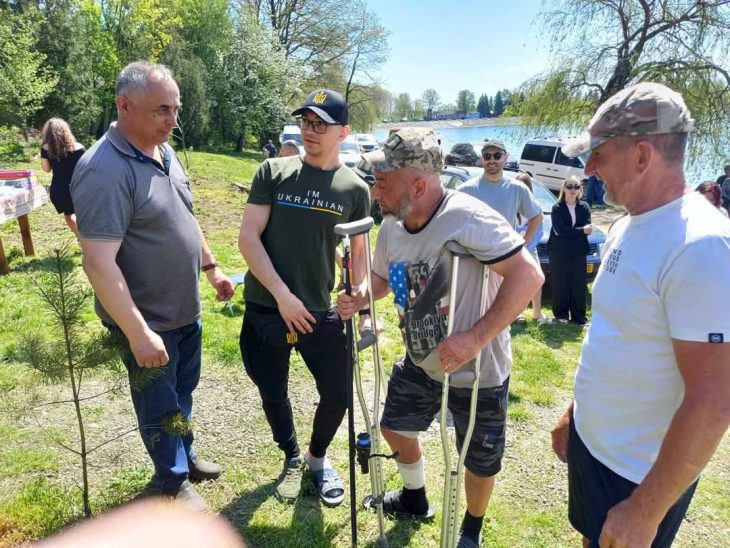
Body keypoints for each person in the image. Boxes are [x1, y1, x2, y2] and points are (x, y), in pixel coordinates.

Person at [338, 128, 544, 547]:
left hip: (477, 369)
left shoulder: (469, 217)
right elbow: (381, 279)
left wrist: (474, 338)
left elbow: (528, 276)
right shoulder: (392, 225)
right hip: (421, 361)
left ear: (418, 185)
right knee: (394, 428)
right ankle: (415, 498)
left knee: (479, 460)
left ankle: (471, 529)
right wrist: (361, 295)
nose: (375, 192)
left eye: (383, 181)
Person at [550, 82, 730, 547]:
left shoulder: (702, 246)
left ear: (642, 155)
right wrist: (578, 411)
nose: (588, 169)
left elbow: (714, 399)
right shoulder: (628, 224)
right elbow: (615, 333)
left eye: (599, 154)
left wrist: (647, 509)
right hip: (596, 446)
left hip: (638, 472)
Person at [71, 61, 235, 511]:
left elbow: (185, 216)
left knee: (182, 392)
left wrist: (212, 268)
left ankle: (185, 455)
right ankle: (173, 481)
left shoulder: (164, 151)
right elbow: (98, 262)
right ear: (124, 105)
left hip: (184, 310)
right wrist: (137, 331)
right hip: (148, 320)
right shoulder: (104, 170)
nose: (173, 121)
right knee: (159, 403)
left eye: (175, 109)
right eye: (162, 110)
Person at [237, 89, 370, 507]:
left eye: (321, 125)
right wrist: (282, 296)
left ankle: (316, 457)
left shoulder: (355, 189)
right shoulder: (272, 172)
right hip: (267, 307)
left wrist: (359, 295)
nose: (310, 131)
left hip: (317, 309)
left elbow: (359, 257)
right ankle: (291, 455)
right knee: (272, 390)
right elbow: (248, 238)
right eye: (306, 123)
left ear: (343, 132)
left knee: (339, 392)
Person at [458, 138, 543, 248]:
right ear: (482, 159)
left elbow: (537, 217)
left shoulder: (518, 188)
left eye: (497, 156)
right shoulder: (466, 189)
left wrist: (522, 246)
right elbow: (452, 221)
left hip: (506, 254)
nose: (492, 160)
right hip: (474, 254)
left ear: (506, 157)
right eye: (487, 156)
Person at [547, 176, 592, 325]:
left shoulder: (584, 207)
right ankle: (561, 315)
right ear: (564, 189)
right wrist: (580, 231)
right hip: (559, 251)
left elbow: (588, 228)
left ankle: (579, 317)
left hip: (578, 251)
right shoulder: (557, 207)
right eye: (570, 186)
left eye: (576, 187)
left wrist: (574, 231)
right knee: (560, 283)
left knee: (578, 284)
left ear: (580, 190)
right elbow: (559, 230)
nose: (573, 189)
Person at [39, 118, 85, 238]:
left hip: (61, 188)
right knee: (84, 215)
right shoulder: (79, 147)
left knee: (69, 216)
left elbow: (46, 169)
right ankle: (89, 239)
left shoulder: (46, 148)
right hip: (80, 186)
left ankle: (82, 238)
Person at [513, 171, 548, 323]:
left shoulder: (535, 206)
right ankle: (517, 313)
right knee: (515, 282)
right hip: (512, 250)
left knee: (536, 280)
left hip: (530, 249)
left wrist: (526, 244)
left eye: (523, 186)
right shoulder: (510, 204)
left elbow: (539, 230)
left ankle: (537, 313)